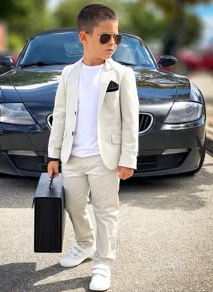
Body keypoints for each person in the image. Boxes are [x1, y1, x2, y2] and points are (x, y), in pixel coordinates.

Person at [47, 4, 139, 291]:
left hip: (106, 157)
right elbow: (59, 116)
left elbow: (130, 121)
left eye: (116, 38)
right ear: (83, 38)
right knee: (75, 208)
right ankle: (85, 245)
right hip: (72, 156)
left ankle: (103, 262)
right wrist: (52, 155)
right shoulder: (68, 74)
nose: (112, 44)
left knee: (106, 211)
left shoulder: (122, 75)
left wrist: (128, 158)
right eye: (105, 38)